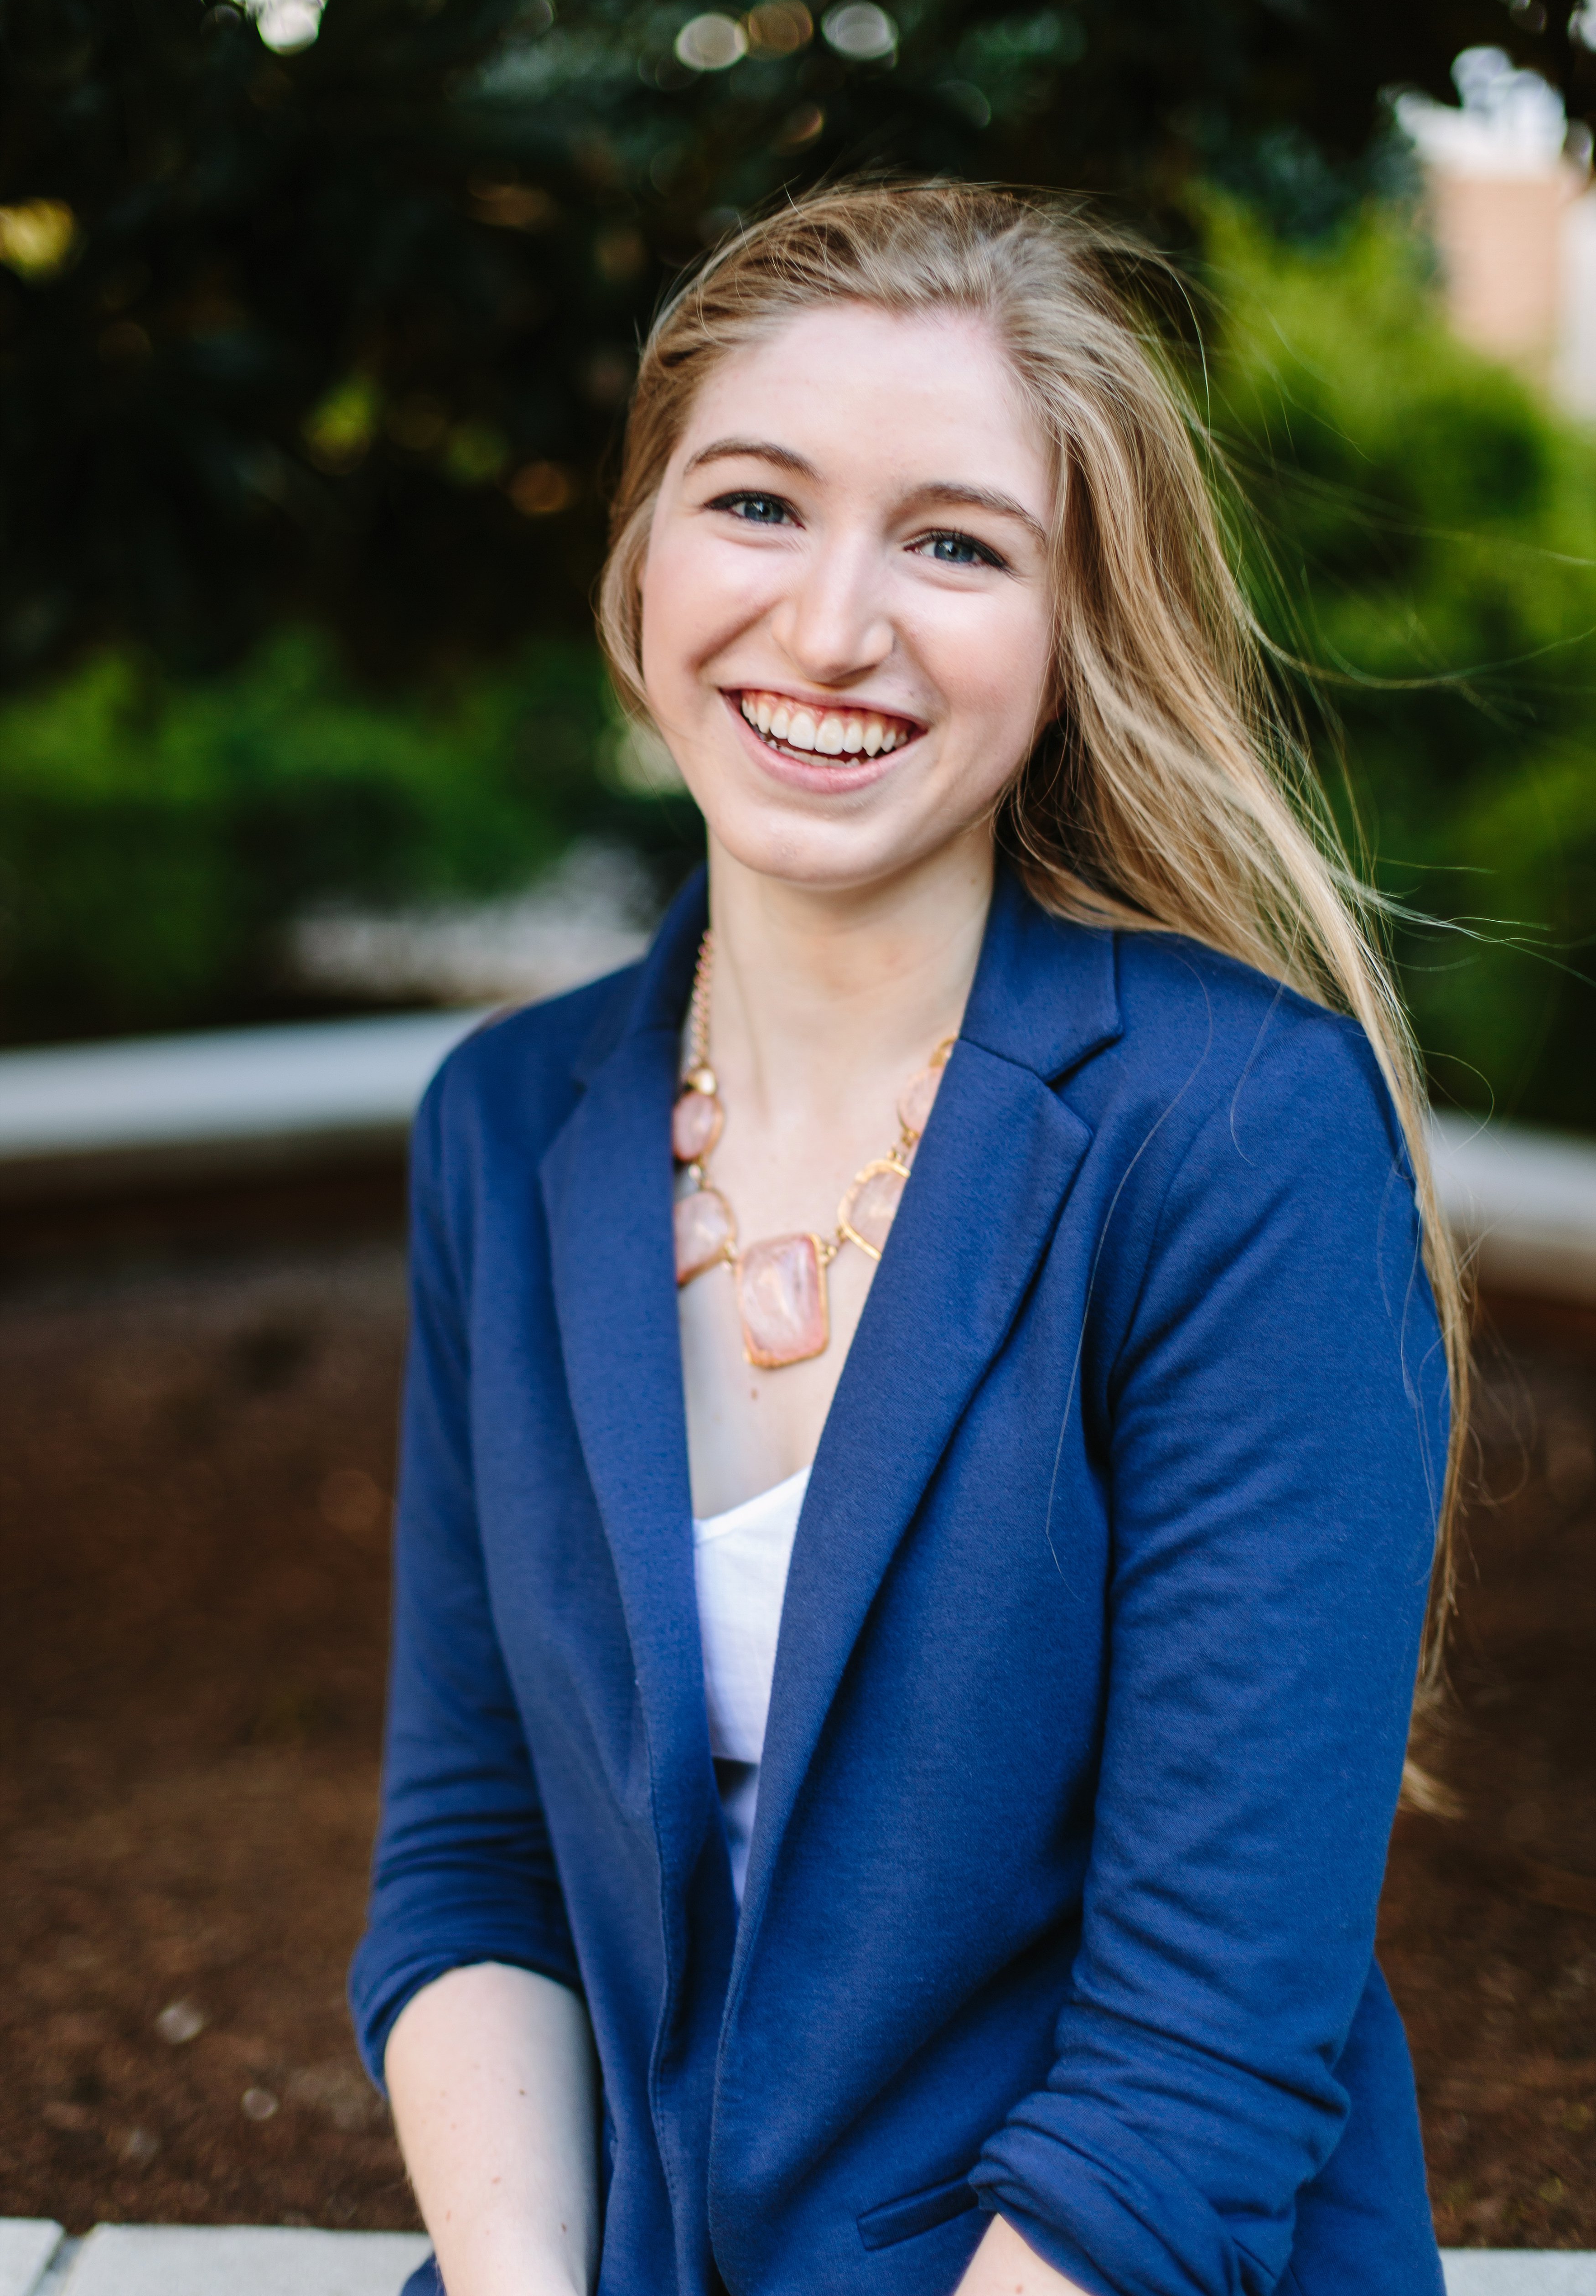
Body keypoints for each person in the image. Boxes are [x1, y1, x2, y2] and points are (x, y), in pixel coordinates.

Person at [350, 182, 1464, 2296]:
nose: (832, 624)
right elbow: (472, 1860)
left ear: (1068, 636)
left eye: (953, 542)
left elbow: (1198, 2067)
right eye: (755, 503)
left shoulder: (1234, 1135)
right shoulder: (502, 1129)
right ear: (640, 555)